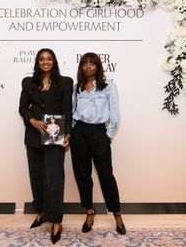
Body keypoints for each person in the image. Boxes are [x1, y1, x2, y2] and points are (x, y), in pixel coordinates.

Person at [19, 48, 73, 244]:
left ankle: (56, 220)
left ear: (54, 61)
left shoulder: (65, 82)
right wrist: (32, 121)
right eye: (42, 59)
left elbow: (67, 108)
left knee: (54, 179)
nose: (45, 62)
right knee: (37, 177)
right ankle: (41, 211)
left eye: (49, 59)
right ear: (37, 62)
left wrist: (68, 133)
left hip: (55, 136)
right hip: (34, 136)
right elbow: (23, 108)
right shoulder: (28, 82)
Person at [70, 52, 126, 235]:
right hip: (80, 132)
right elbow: (72, 112)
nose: (88, 66)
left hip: (99, 133)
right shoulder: (77, 87)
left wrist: (107, 135)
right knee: (83, 175)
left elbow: (115, 113)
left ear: (98, 66)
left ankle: (117, 214)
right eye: (85, 63)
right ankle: (89, 212)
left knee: (106, 175)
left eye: (92, 63)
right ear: (81, 67)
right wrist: (71, 133)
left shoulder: (108, 86)